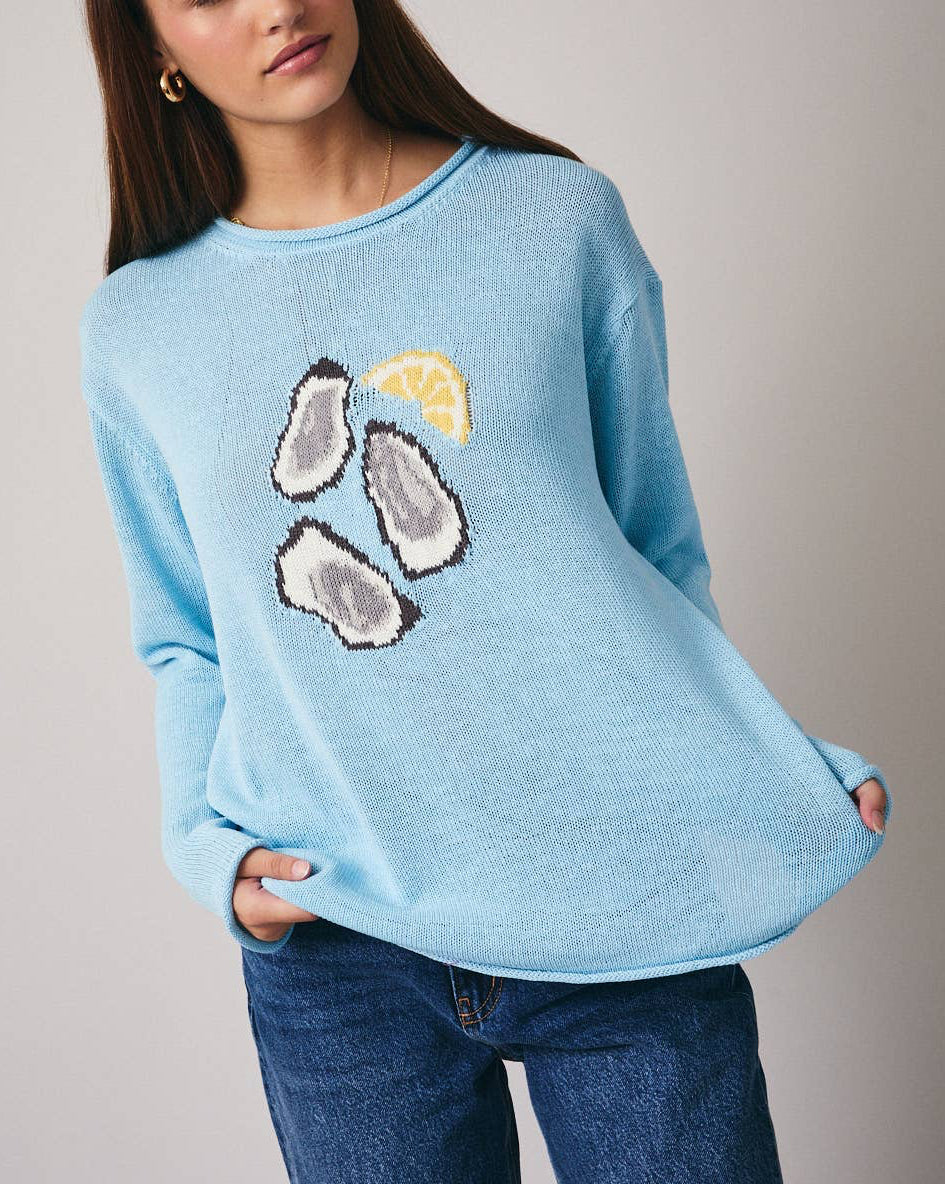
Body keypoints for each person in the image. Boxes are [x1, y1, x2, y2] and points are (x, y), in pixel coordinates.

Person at [79, 2, 892, 1181]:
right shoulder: (137, 330)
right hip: (342, 939)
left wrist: (759, 761)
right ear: (151, 45)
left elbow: (652, 555)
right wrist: (209, 853)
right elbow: (186, 637)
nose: (277, 6)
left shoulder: (557, 220)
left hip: (620, 892)